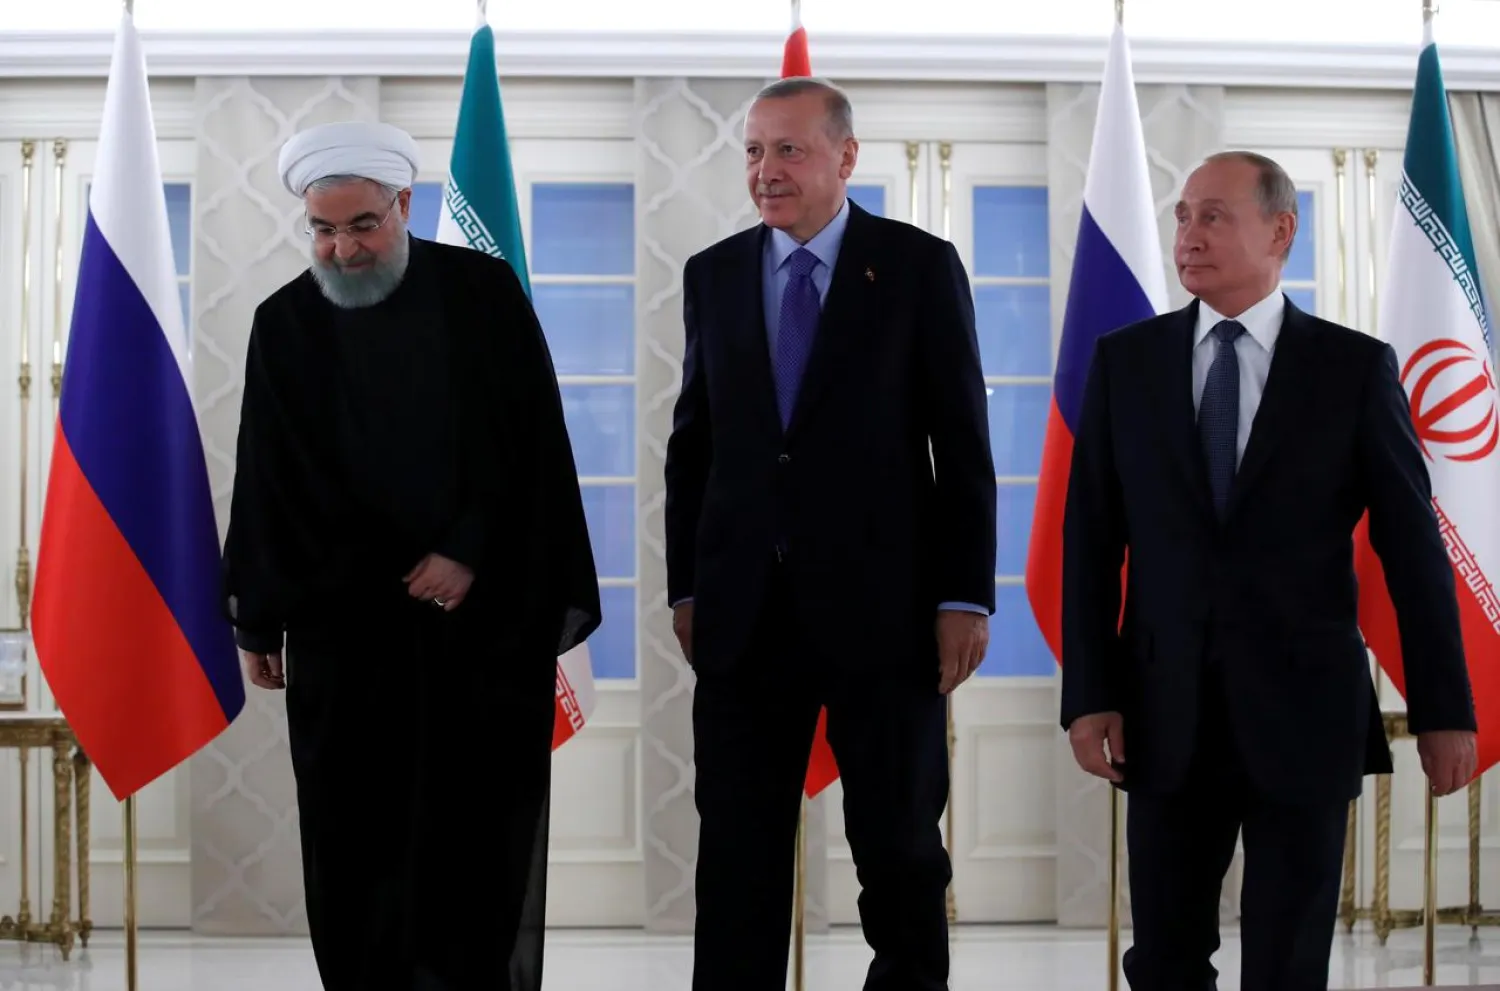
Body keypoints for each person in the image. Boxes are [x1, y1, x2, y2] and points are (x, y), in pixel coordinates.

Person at [1060, 150, 1478, 991]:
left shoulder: (1352, 369)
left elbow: (1413, 551)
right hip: (1164, 713)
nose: (1189, 233)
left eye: (1213, 214)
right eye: (1182, 215)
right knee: (1165, 960)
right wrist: (1089, 692)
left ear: (1280, 230)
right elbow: (1091, 540)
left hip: (1306, 716)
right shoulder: (1125, 362)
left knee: (1289, 963)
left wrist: (1445, 708)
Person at [221, 120, 601, 991]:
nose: (342, 249)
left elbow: (531, 446)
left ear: (405, 204)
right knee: (356, 850)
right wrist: (259, 612)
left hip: (475, 629)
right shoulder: (282, 323)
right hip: (344, 633)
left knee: (472, 845)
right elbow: (265, 473)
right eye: (322, 229)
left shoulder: (483, 294)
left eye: (361, 225)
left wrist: (467, 549)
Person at [664, 77, 996, 991]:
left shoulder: (920, 268)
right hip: (741, 618)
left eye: (789, 150)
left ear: (846, 157)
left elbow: (964, 448)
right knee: (736, 852)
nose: (765, 172)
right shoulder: (715, 273)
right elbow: (693, 447)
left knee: (898, 849)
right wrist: (686, 588)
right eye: (754, 152)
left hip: (887, 619)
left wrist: (965, 594)